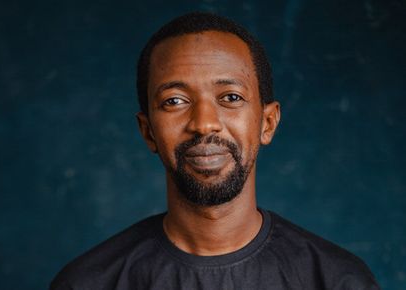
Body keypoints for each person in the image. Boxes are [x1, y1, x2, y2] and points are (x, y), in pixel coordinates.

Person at [50, 12, 380, 290]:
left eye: (231, 98)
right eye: (174, 101)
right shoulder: (87, 283)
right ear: (148, 131)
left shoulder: (338, 281)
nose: (205, 123)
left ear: (267, 123)